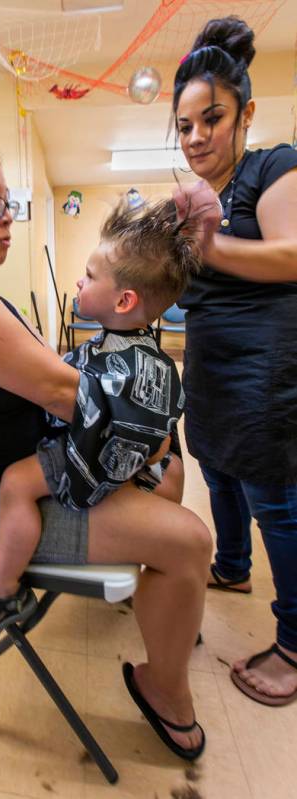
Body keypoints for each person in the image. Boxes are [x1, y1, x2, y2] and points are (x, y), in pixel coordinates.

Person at [0, 132, 217, 760]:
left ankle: (170, 610)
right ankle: (163, 689)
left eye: (11, 201)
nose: (8, 217)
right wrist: (147, 425)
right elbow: (72, 396)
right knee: (190, 536)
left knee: (169, 474)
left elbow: (64, 378)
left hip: (28, 477)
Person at [0, 197, 202, 652]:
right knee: (173, 477)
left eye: (88, 277)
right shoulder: (146, 351)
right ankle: (158, 586)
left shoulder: (119, 368)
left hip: (93, 464)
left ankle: (1, 589)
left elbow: (83, 411)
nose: (78, 282)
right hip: (134, 472)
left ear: (124, 300)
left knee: (15, 482)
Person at [172, 15, 297, 706]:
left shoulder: (271, 167)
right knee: (215, 467)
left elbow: (292, 253)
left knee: (272, 499)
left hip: (263, 361)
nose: (195, 137)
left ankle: (294, 642)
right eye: (184, 125)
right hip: (211, 362)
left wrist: (211, 245)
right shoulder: (195, 198)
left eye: (209, 118)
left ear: (244, 113)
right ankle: (230, 566)